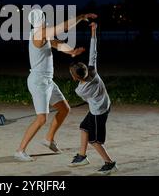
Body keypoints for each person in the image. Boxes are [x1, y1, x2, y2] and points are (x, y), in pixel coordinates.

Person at [14, 9, 97, 162]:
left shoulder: (42, 34)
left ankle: (49, 139)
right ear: (41, 20)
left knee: (64, 109)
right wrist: (81, 17)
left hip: (47, 81)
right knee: (41, 119)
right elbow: (63, 28)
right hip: (38, 81)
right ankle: (20, 150)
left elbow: (57, 44)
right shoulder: (38, 34)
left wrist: (71, 51)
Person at [68, 22, 117, 175]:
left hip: (98, 112)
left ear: (76, 78)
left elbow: (86, 97)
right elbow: (93, 52)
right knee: (84, 127)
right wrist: (94, 32)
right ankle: (82, 156)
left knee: (94, 141)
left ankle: (109, 163)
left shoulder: (80, 90)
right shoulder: (93, 71)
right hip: (105, 104)